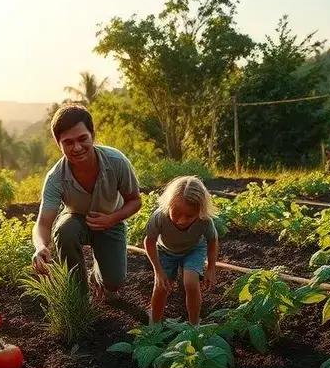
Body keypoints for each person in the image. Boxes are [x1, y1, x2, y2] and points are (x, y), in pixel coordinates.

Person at [31, 104, 141, 301]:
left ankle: (96, 278)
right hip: (76, 220)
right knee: (65, 229)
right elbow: (43, 223)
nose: (77, 148)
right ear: (59, 144)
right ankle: (79, 297)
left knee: (114, 282)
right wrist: (40, 247)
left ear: (92, 135)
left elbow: (135, 201)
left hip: (111, 221)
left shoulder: (116, 162)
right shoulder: (56, 177)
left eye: (82, 139)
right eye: (68, 142)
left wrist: (111, 219)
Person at [144, 176, 219, 324]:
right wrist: (158, 271)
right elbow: (149, 241)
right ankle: (155, 323)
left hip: (193, 250)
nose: (182, 220)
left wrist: (211, 268)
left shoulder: (204, 221)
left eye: (190, 216)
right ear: (169, 205)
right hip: (165, 251)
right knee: (161, 286)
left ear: (200, 211)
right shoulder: (159, 217)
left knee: (191, 283)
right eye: (176, 213)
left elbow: (213, 240)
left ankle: (194, 324)